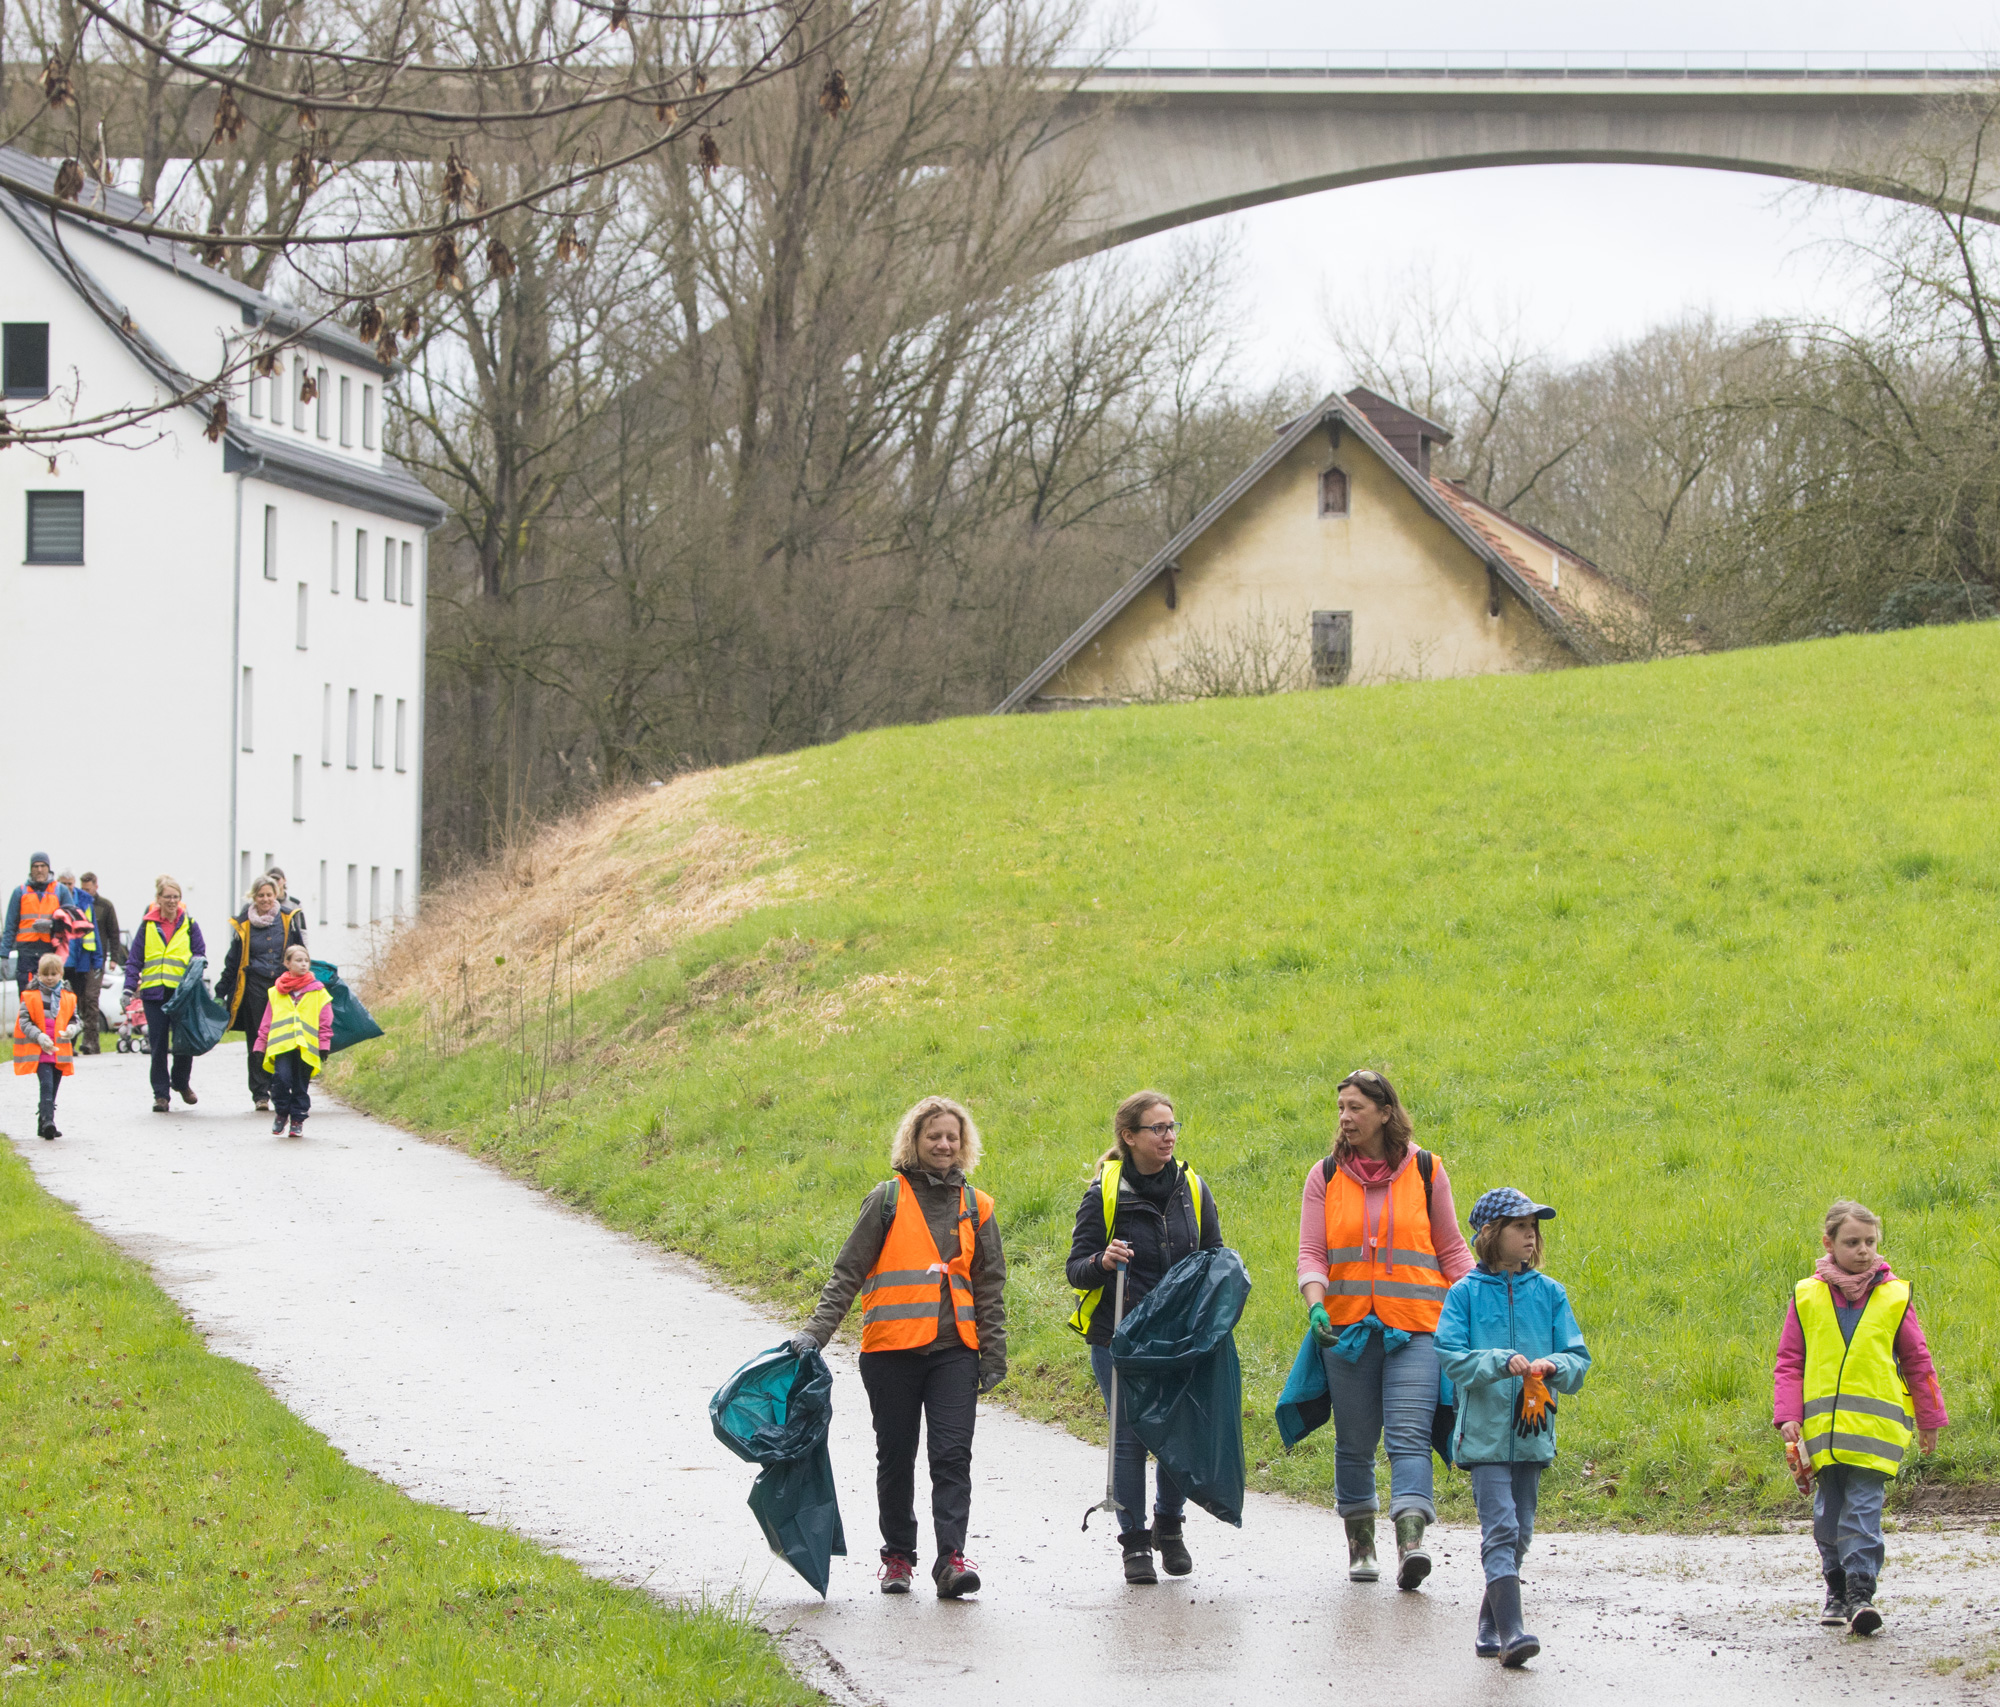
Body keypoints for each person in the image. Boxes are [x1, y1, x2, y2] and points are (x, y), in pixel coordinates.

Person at [788, 1095, 1006, 1599]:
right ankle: (897, 1559)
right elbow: (848, 1273)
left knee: (952, 1456)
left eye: (952, 1136)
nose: (944, 1144)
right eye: (934, 1135)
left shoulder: (978, 1207)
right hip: (890, 1352)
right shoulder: (885, 1200)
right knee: (896, 1456)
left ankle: (951, 1560)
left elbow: (990, 1286)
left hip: (955, 1350)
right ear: (915, 1141)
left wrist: (993, 1352)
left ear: (963, 1143)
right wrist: (816, 1334)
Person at [1296, 1068, 1473, 1589]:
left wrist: (1479, 1306)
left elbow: (1452, 1249)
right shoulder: (1324, 1175)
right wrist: (1315, 1304)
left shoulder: (1425, 1170)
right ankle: (1361, 1547)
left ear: (1385, 1112)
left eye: (1356, 1107)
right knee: (1354, 1441)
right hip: (1346, 1329)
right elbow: (1312, 1252)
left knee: (1409, 1437)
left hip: (1418, 1328)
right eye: (1341, 1109)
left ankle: (1411, 1544)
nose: (1346, 1118)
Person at [1065, 1089, 1222, 1584]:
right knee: (1130, 1438)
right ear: (1129, 1137)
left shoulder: (1192, 1188)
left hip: (1178, 1338)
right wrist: (1102, 1261)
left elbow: (1215, 1256)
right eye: (1157, 1128)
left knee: (1176, 1435)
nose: (1168, 1136)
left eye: (1172, 1126)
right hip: (1120, 1337)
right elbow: (1076, 1269)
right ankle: (1134, 1543)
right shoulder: (1105, 1193)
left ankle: (1169, 1527)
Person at [1773, 1198, 1946, 1637]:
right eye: (1853, 1242)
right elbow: (1790, 1362)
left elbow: (1918, 1362)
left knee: (1862, 1513)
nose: (1864, 1250)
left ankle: (1861, 1593)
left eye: (1870, 1241)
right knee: (1828, 1515)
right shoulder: (1807, 1296)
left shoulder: (1894, 1296)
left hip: (1873, 1435)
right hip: (1823, 1435)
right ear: (1829, 1243)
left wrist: (1929, 1420)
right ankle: (1836, 1590)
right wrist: (1788, 1416)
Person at [1435, 1188, 1592, 1667]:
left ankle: (1490, 1622)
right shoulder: (1463, 1294)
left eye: (1533, 1228)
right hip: (1482, 1437)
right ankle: (1514, 1633)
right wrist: (1499, 1362)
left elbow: (1578, 1360)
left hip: (1532, 1433)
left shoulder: (1550, 1293)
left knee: (1521, 1532)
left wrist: (1554, 1366)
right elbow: (1451, 1358)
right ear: (1489, 1234)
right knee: (1501, 1528)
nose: (1530, 1236)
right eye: (1519, 1226)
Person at [218, 876, 307, 1112]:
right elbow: (233, 960)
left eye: (269, 894)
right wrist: (221, 991)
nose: (265, 899)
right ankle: (260, 1093)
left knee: (284, 1037)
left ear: (276, 894)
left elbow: (301, 953)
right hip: (254, 988)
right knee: (258, 1039)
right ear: (253, 897)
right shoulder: (243, 924)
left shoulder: (288, 918)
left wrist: (307, 981)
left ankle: (281, 1086)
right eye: (261, 895)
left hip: (284, 987)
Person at [122, 875, 205, 1114]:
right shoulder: (148, 926)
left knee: (183, 1044)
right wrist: (128, 988)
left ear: (181, 900)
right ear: (158, 899)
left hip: (181, 995)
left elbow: (200, 954)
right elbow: (135, 960)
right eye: (167, 897)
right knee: (158, 1045)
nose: (171, 901)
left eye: (175, 897)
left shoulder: (189, 924)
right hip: (154, 995)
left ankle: (180, 1082)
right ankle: (161, 1095)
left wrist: (196, 979)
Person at [252, 943, 331, 1138]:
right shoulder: (276, 992)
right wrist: (260, 1044)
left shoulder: (318, 991)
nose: (304, 964)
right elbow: (267, 1020)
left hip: (306, 1048)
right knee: (280, 1079)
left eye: (306, 961)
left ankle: (297, 1119)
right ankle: (281, 1112)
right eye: (298, 960)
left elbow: (325, 1020)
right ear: (287, 963)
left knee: (300, 1084)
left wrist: (324, 1045)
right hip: (282, 1046)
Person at [13, 952, 81, 1140]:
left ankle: (42, 1123)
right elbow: (24, 1022)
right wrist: (39, 1036)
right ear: (38, 975)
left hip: (59, 1051)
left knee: (53, 1088)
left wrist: (72, 1029)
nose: (50, 978)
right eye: (45, 974)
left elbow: (76, 1019)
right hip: (40, 1049)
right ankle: (49, 1121)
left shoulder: (68, 997)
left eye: (53, 974)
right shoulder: (30, 996)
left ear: (61, 974)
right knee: (46, 1084)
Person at [2, 854, 75, 995]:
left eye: (43, 866)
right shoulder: (20, 892)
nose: (39, 870)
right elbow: (10, 926)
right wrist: (4, 955)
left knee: (51, 997)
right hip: (26, 953)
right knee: (27, 995)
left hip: (51, 951)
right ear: (31, 869)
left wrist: (52, 925)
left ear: (49, 868)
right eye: (35, 866)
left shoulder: (60, 890)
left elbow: (71, 922)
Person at [58, 869, 107, 1055]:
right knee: (62, 1005)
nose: (67, 888)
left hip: (80, 962)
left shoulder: (84, 901)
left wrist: (98, 960)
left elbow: (92, 932)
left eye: (70, 884)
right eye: (64, 884)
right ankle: (64, 1044)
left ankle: (73, 1044)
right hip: (62, 962)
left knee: (77, 1003)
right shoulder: (56, 899)